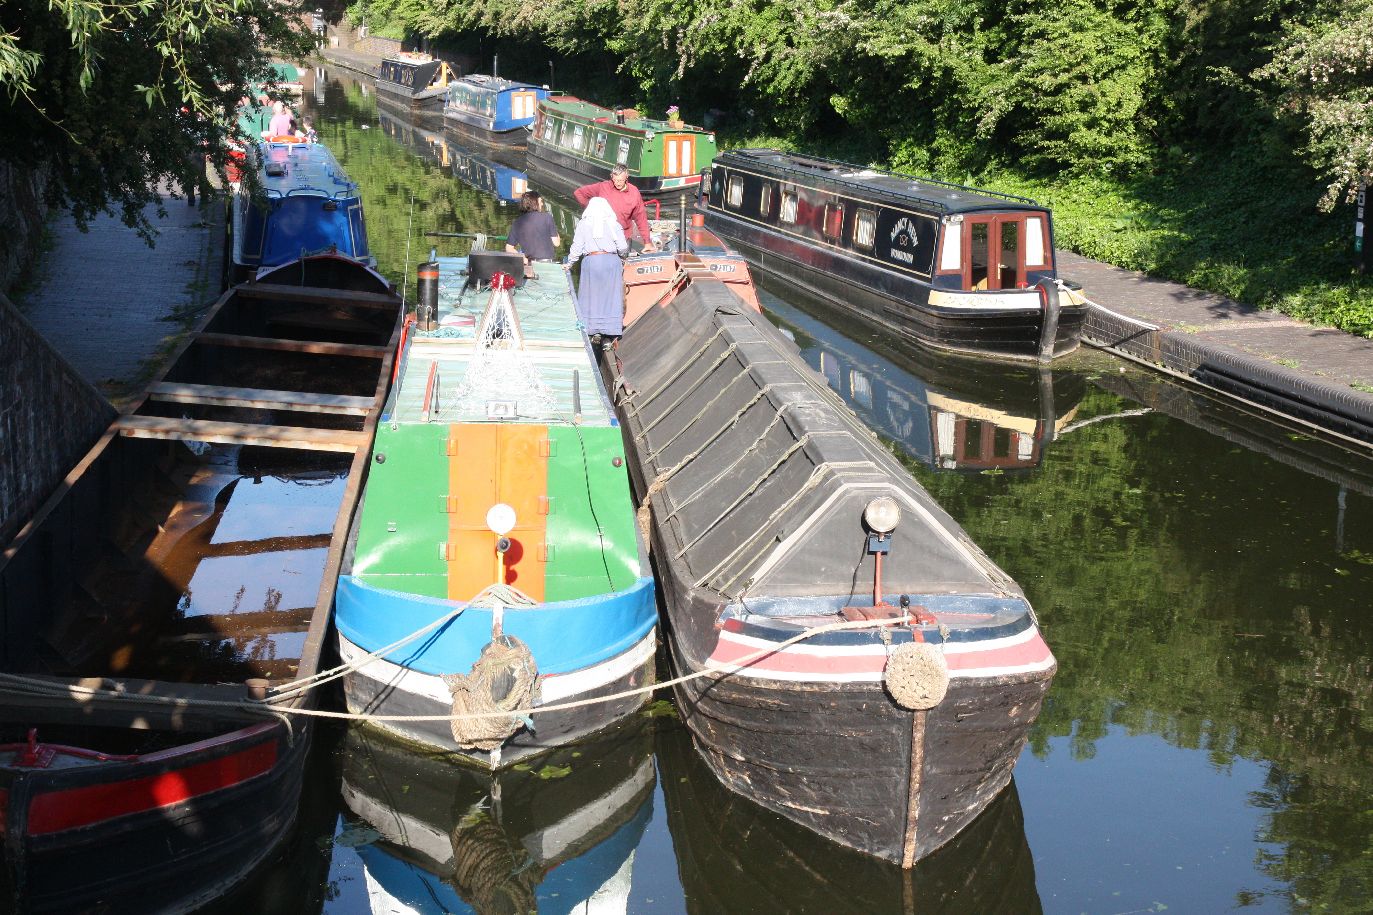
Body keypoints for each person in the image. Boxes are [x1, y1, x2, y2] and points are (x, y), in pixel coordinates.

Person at [565, 197, 628, 344]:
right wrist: (621, 257)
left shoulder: (583, 224)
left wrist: (569, 263)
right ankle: (610, 331)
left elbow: (577, 247)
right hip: (611, 262)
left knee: (591, 295)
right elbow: (623, 247)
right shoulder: (614, 224)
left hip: (591, 262)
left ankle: (591, 329)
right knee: (610, 296)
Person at [573, 164, 657, 253]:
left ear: (626, 177)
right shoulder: (603, 187)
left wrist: (647, 242)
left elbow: (641, 218)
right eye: (615, 180)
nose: (618, 183)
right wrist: (591, 210)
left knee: (623, 263)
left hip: (624, 237)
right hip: (604, 238)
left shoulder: (634, 192)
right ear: (611, 177)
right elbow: (579, 193)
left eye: (620, 180)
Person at [504, 191, 560, 272]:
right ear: (535, 202)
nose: (542, 204)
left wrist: (523, 258)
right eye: (540, 201)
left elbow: (509, 248)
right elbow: (557, 243)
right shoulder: (547, 217)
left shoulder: (517, 222)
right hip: (547, 265)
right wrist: (554, 228)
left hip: (530, 266)